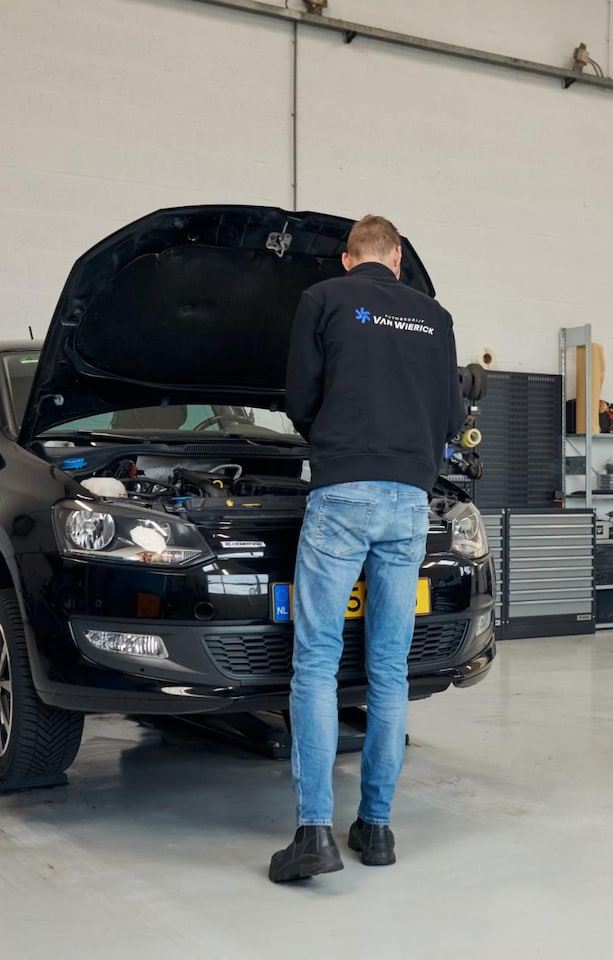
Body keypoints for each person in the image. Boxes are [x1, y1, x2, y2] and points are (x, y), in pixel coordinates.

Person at [272, 215, 465, 883]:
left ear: (349, 259)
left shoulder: (323, 299)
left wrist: (335, 440)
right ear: (398, 258)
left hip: (342, 492)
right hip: (410, 500)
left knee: (316, 663)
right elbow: (452, 419)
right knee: (389, 669)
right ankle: (376, 829)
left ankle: (314, 834)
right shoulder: (434, 317)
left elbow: (300, 398)